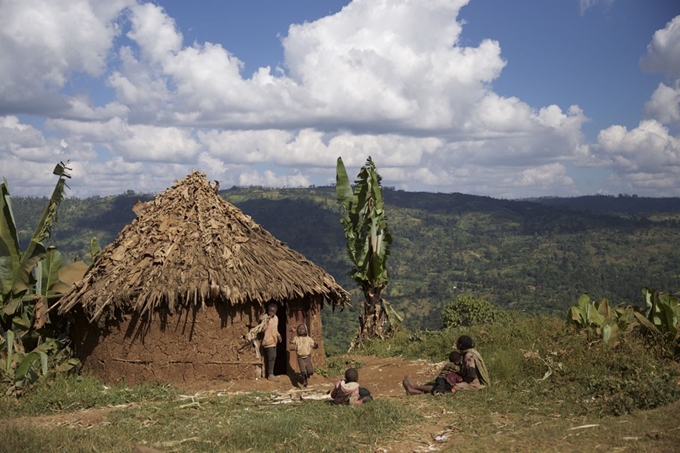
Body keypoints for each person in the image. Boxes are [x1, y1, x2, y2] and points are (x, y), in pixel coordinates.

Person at [290, 323, 318, 387]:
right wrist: (293, 333)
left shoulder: (309, 339)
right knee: (303, 371)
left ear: (305, 330)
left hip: (307, 357)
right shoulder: (296, 338)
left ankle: (307, 375)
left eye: (302, 329)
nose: (301, 330)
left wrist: (316, 345)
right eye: (299, 329)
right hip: (300, 357)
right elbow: (291, 341)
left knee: (310, 371)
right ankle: (305, 381)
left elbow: (313, 345)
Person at [261, 303, 282, 381]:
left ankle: (271, 373)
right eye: (270, 311)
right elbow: (261, 330)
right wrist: (265, 325)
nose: (271, 313)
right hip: (267, 341)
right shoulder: (265, 318)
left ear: (276, 311)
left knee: (273, 357)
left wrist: (278, 335)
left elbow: (275, 329)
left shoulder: (276, 318)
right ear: (268, 310)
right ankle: (270, 374)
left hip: (273, 341)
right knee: (271, 357)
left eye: (273, 311)